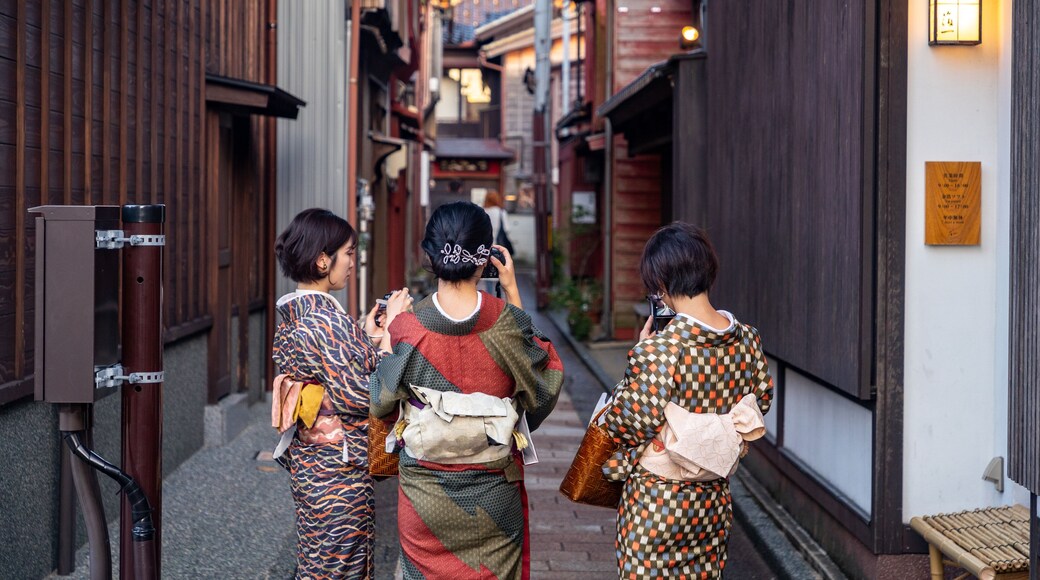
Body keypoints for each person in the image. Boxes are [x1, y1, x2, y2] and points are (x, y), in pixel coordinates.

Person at [370, 201, 563, 580]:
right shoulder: (506, 322)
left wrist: (389, 331)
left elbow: (379, 403)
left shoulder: (409, 328)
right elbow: (542, 385)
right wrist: (511, 290)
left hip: (425, 498)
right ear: (485, 258)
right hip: (494, 494)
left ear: (430, 255)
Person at [600, 222, 774, 579]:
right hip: (712, 499)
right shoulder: (747, 340)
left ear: (660, 285)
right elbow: (762, 400)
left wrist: (638, 357)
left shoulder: (661, 348)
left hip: (658, 503)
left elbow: (628, 421)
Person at [272, 208, 411, 579]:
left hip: (311, 461)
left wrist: (364, 335)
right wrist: (393, 330)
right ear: (322, 261)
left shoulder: (298, 314)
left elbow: (331, 370)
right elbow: (358, 395)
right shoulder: (325, 321)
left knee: (318, 560)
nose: (353, 261)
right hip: (337, 469)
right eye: (349, 253)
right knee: (339, 564)